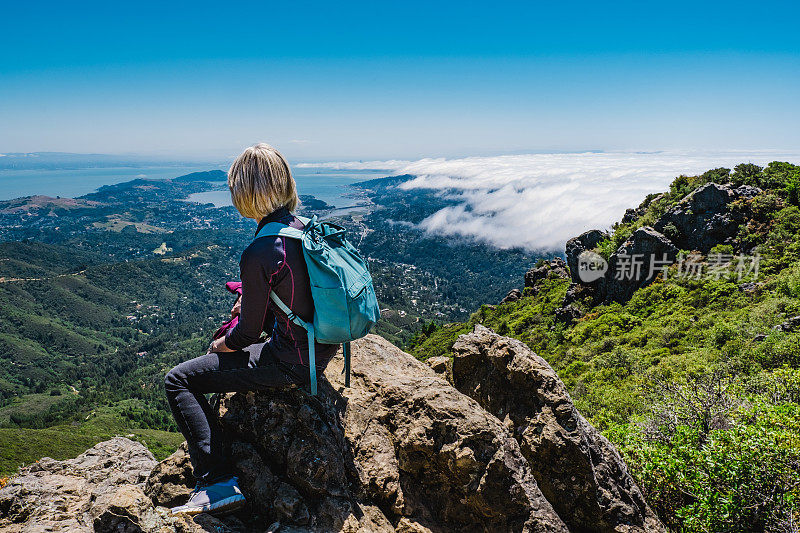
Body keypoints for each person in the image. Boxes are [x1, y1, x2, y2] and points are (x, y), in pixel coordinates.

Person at [165, 143, 339, 515]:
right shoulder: (306, 230)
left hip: (291, 361)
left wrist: (220, 346)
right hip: (321, 347)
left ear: (244, 191)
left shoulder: (261, 250)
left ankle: (217, 481)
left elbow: (248, 336)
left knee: (179, 379)